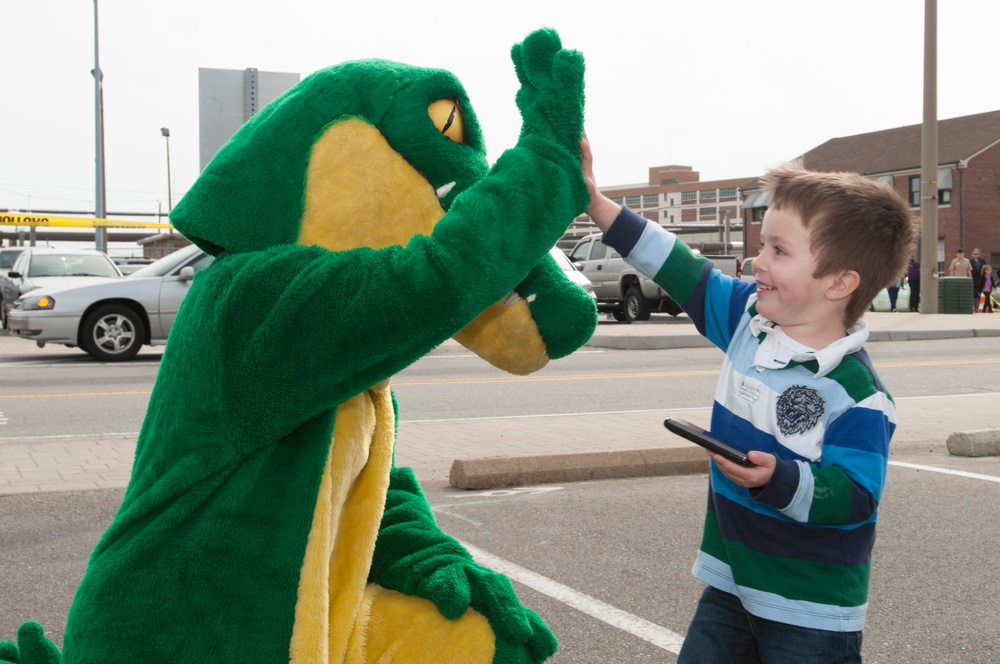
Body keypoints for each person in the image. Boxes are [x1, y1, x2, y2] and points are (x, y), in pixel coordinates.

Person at [581, 136, 915, 664]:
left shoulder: (860, 397)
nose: (756, 260)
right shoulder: (747, 321)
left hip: (811, 609)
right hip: (734, 583)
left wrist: (778, 479)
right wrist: (597, 204)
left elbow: (855, 495)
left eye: (778, 251)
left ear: (840, 283)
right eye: (763, 244)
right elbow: (678, 265)